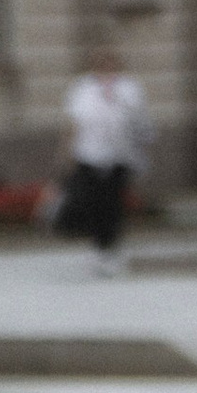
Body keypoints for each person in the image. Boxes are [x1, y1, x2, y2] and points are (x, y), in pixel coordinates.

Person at [61, 44, 150, 274]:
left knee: (113, 204)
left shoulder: (128, 88)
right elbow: (74, 121)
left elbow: (139, 120)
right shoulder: (83, 88)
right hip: (89, 154)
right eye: (101, 65)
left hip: (120, 155)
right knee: (93, 202)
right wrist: (67, 152)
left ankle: (112, 249)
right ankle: (98, 247)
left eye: (110, 64)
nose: (106, 69)